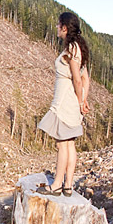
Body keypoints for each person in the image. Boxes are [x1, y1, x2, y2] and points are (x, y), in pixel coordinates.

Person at [37, 11, 90, 196]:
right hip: (72, 102)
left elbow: (78, 79)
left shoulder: (72, 48)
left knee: (62, 145)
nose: (57, 27)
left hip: (65, 103)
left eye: (59, 24)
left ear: (65, 28)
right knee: (69, 144)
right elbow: (86, 78)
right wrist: (83, 100)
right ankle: (68, 185)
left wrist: (80, 101)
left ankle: (57, 185)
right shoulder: (79, 47)